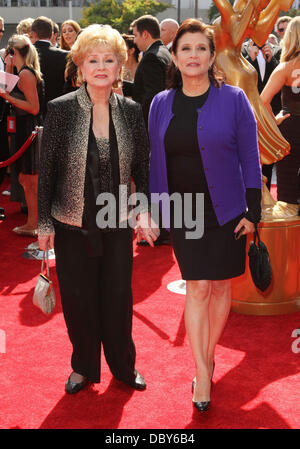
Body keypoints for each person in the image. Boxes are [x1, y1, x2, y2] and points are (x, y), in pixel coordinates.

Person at [148, 19, 262, 412]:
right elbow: (154, 160)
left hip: (228, 209)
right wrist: (153, 208)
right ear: (175, 57)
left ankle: (207, 355)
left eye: (201, 48)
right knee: (197, 286)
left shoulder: (233, 99)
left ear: (212, 56)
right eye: (185, 49)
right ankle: (203, 369)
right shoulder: (161, 103)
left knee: (220, 287)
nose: (193, 55)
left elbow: (250, 154)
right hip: (185, 212)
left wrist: (255, 210)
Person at [37, 24, 158, 394]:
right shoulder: (61, 110)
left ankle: (123, 367)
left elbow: (142, 167)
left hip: (117, 220)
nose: (101, 66)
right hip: (72, 222)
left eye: (109, 59)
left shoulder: (132, 110)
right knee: (77, 297)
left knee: (119, 296)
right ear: (80, 65)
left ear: (120, 65)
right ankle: (83, 367)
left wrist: (144, 210)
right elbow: (48, 173)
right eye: (93, 59)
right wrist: (44, 223)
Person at [130, 15, 172, 246]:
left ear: (145, 34)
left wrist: (131, 109)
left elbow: (152, 98)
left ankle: (158, 230)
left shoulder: (152, 58)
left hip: (152, 129)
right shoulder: (163, 53)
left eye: (135, 35)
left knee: (152, 179)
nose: (134, 41)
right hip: (160, 127)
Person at [0, 34, 44, 236]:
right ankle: (32, 222)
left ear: (13, 52)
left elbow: (34, 108)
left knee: (30, 180)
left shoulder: (26, 73)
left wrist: (9, 98)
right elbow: (5, 87)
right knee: (25, 179)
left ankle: (34, 223)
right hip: (21, 128)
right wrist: (8, 68)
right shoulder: (20, 71)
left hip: (28, 129)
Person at [261, 16, 300, 217]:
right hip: (291, 132)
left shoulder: (286, 67)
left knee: (289, 196)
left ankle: (292, 244)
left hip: (291, 131)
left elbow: (262, 100)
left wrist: (274, 120)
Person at [245, 39, 281, 190]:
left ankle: (265, 191)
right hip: (247, 112)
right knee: (249, 153)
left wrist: (271, 59)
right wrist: (249, 60)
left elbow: (280, 78)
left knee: (268, 152)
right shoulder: (242, 52)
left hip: (270, 112)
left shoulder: (276, 51)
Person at [31, 16, 68, 118]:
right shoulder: (65, 55)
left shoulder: (24, 54)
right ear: (52, 34)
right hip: (58, 110)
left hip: (31, 113)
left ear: (33, 34)